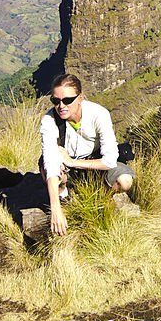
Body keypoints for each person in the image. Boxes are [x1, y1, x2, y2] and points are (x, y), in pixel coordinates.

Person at [41, 73, 135, 236]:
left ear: (81, 98)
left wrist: (71, 162)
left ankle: (99, 197)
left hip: (93, 163)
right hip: (67, 169)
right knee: (46, 166)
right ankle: (64, 196)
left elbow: (110, 160)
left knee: (125, 181)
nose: (61, 106)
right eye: (56, 101)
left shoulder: (98, 114)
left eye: (68, 100)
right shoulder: (49, 121)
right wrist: (55, 208)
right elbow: (50, 162)